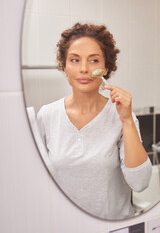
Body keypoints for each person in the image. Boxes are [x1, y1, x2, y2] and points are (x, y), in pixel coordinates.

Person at [36, 23, 152, 220]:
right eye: (74, 60)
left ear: (105, 68)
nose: (83, 69)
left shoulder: (122, 116)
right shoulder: (47, 116)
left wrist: (127, 121)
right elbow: (38, 181)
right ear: (64, 66)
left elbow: (140, 183)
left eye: (93, 60)